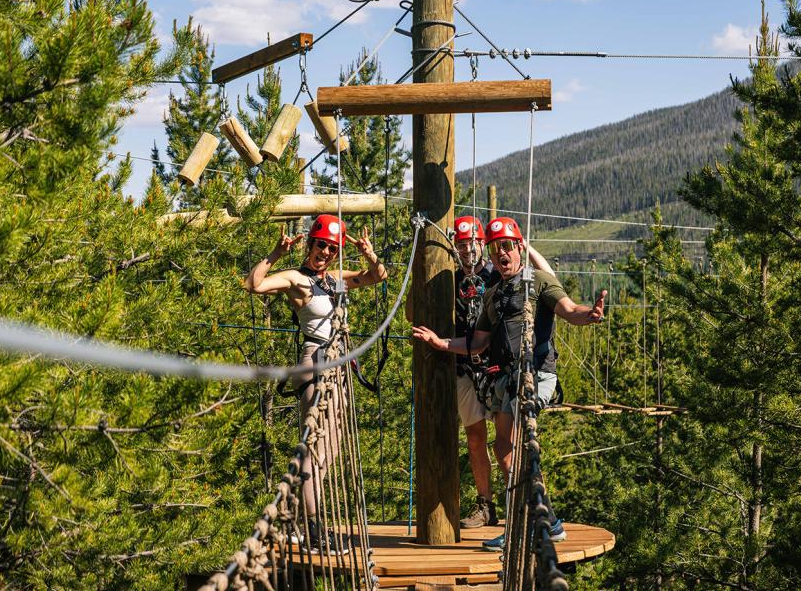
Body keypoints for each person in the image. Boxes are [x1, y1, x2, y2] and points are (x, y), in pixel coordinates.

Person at [412, 216, 606, 551]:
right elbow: (479, 342)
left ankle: (527, 524)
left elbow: (569, 309)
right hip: (505, 379)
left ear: (519, 248)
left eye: (507, 247)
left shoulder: (539, 282)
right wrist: (441, 343)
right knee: (503, 449)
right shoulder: (494, 294)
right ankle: (549, 522)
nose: (502, 253)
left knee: (515, 450)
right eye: (496, 248)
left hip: (534, 376)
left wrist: (587, 315)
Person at [244, 214, 387, 555]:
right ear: (310, 245)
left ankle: (297, 518)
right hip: (317, 361)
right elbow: (253, 284)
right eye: (321, 245)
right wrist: (276, 253)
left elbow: (378, 277)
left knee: (329, 448)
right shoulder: (298, 279)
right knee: (314, 447)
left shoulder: (335, 278)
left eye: (332, 248)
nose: (325, 252)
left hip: (338, 363)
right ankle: (313, 528)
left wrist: (368, 253)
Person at [449, 215, 556, 530]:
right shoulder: (449, 279)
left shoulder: (499, 272)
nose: (467, 251)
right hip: (468, 365)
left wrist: (525, 245)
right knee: (477, 437)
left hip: (500, 368)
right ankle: (488, 506)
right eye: (461, 246)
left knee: (511, 442)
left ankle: (528, 513)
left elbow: (547, 278)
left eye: (471, 244)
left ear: (482, 244)